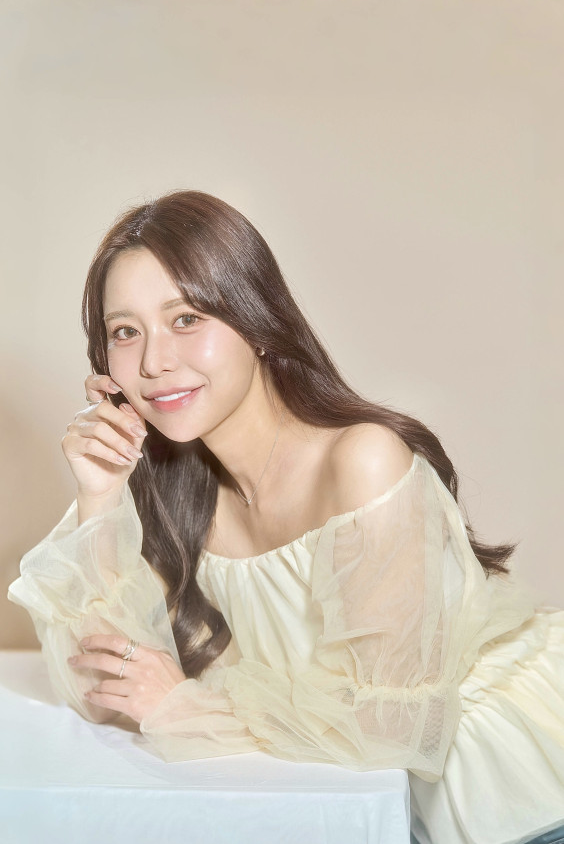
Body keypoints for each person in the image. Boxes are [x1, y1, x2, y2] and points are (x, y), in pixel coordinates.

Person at [8, 191, 564, 844]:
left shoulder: (360, 461)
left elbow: (393, 729)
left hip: (521, 790)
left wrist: (185, 706)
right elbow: (102, 691)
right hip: (379, 811)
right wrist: (100, 496)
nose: (154, 362)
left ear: (256, 321)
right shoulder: (172, 495)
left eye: (186, 318)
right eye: (125, 332)